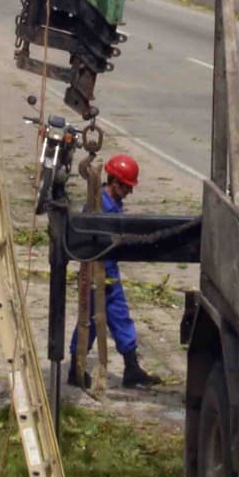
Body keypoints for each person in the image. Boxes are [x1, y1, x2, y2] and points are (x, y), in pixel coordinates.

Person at [69, 154, 156, 391]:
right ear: (115, 181)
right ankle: (76, 368)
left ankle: (131, 368)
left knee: (114, 318)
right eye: (127, 186)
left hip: (108, 270)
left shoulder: (110, 203)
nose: (129, 191)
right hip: (97, 271)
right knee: (91, 320)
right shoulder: (99, 205)